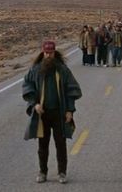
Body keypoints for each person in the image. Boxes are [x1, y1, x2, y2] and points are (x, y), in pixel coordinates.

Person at [23, 41, 83, 184]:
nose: (48, 55)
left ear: (55, 52)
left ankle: (62, 172)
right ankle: (42, 172)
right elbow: (27, 86)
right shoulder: (35, 70)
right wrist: (35, 104)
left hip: (59, 113)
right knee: (42, 145)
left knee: (60, 144)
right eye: (46, 52)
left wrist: (70, 110)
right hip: (42, 114)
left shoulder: (62, 70)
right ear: (43, 52)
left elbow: (71, 90)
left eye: (51, 52)